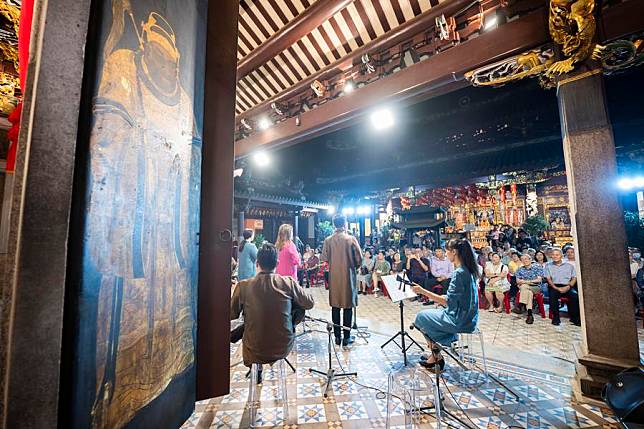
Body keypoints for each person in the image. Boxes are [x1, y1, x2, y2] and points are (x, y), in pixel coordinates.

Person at [230, 244, 315, 381]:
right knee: (298, 306)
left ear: (257, 263)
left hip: (254, 349)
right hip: (282, 345)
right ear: (277, 263)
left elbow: (231, 314)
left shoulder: (243, 286)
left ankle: (255, 369)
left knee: (251, 322)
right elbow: (309, 303)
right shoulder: (288, 282)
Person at [411, 238, 480, 371]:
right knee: (430, 314)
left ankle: (436, 355)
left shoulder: (459, 273)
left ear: (454, 252)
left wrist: (422, 291)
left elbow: (447, 301)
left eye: (447, 251)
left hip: (459, 319)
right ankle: (437, 352)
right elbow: (456, 298)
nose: (446, 254)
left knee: (421, 316)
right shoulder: (468, 270)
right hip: (469, 317)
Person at [322, 214, 363, 346]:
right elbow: (359, 259)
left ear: (334, 224)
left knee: (335, 307)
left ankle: (337, 337)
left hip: (334, 277)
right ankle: (346, 337)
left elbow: (324, 258)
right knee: (347, 307)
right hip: (348, 276)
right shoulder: (350, 239)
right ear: (345, 224)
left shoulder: (328, 240)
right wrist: (354, 266)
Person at [544, 248, 580, 326]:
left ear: (561, 256)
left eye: (557, 255)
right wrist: (556, 288)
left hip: (567, 285)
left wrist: (568, 286)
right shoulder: (548, 266)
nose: (555, 256)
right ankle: (556, 317)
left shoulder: (569, 266)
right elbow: (548, 279)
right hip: (554, 286)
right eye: (553, 255)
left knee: (575, 296)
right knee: (553, 296)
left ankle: (575, 318)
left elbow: (574, 277)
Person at [515, 253, 543, 324]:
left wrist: (525, 281)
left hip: (536, 287)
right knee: (528, 293)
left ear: (530, 259)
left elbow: (539, 280)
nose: (525, 261)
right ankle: (530, 315)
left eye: (526, 259)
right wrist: (527, 282)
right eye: (522, 259)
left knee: (524, 286)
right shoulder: (519, 269)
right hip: (525, 288)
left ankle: (521, 304)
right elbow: (518, 281)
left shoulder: (537, 267)